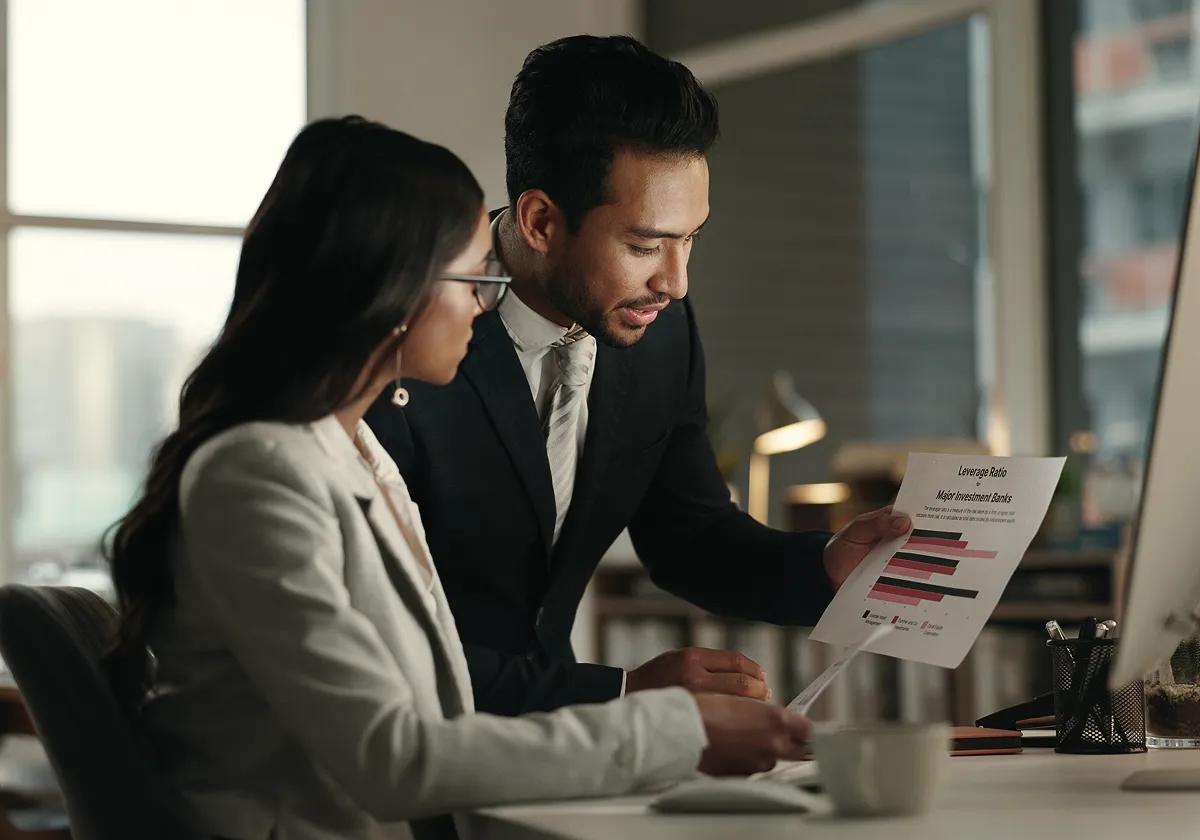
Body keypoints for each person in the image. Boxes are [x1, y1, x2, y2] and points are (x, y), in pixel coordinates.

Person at [103, 116, 813, 840]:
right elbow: (395, 757)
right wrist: (672, 731)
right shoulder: (259, 473)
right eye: (477, 276)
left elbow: (435, 709)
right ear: (391, 289)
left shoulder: (354, 456)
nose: (486, 303)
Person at [364, 34, 911, 717]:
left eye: (691, 240)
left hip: (558, 761)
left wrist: (825, 562)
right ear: (539, 221)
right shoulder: (404, 341)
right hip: (397, 752)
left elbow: (692, 537)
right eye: (644, 244)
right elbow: (372, 640)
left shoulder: (660, 331)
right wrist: (625, 693)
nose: (676, 283)